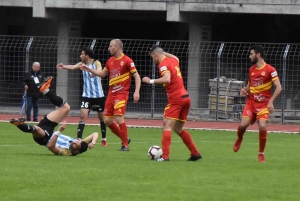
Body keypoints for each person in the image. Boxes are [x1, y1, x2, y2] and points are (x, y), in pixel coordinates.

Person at [10, 76, 99, 156]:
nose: (74, 143)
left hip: (45, 138)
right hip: (50, 129)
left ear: (77, 152)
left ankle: (19, 124)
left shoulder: (67, 152)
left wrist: (59, 131)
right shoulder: (80, 143)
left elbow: (51, 146)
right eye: (77, 142)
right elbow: (95, 133)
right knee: (66, 108)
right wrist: (93, 142)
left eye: (76, 146)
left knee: (36, 129)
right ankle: (45, 90)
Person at [142, 45, 201, 162]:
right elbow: (176, 57)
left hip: (176, 99)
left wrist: (151, 81)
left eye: (153, 58)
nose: (153, 61)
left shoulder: (163, 64)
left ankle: (165, 157)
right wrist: (163, 53)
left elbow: (167, 79)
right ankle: (195, 153)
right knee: (178, 129)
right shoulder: (173, 61)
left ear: (156, 55)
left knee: (166, 125)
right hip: (185, 98)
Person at [81, 39, 141, 151]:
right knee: (107, 121)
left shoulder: (127, 60)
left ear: (117, 47)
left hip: (122, 93)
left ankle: (125, 145)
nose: (108, 48)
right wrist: (89, 69)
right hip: (111, 94)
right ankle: (125, 139)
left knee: (119, 117)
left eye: (110, 46)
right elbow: (102, 74)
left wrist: (137, 91)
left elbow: (137, 76)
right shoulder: (110, 61)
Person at [233, 45, 282, 162]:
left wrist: (271, 102)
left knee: (262, 126)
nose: (250, 56)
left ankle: (261, 153)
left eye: (251, 54)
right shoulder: (251, 70)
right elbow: (251, 85)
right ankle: (239, 138)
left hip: (264, 104)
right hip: (251, 102)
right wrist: (245, 90)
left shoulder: (270, 70)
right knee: (242, 125)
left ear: (258, 55)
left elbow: (279, 87)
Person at [56, 47, 107, 146]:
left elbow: (100, 70)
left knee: (101, 118)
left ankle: (104, 138)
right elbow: (73, 67)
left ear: (86, 55)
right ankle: (78, 138)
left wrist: (93, 72)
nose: (80, 56)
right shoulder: (81, 64)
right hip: (86, 95)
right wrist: (63, 66)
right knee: (82, 116)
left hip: (98, 95)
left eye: (82, 54)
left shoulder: (96, 63)